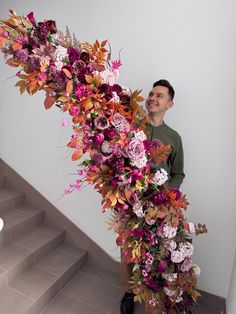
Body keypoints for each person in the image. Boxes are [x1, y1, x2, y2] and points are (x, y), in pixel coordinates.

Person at [120, 79, 185, 314]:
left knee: (154, 254)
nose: (152, 98)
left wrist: (167, 193)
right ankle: (128, 293)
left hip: (159, 206)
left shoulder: (174, 137)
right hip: (130, 201)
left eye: (159, 95)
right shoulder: (133, 128)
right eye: (151, 93)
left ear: (170, 103)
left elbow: (178, 173)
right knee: (128, 250)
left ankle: (151, 298)